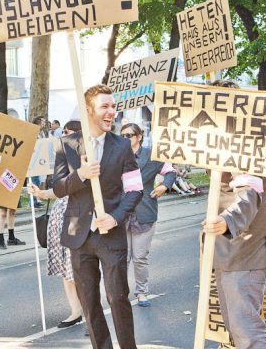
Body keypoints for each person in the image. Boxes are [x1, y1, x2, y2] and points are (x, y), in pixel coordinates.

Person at [53, 84, 143, 349]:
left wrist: (115, 217)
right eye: (105, 106)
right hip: (79, 236)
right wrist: (80, 175)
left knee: (118, 298)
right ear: (88, 110)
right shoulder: (66, 144)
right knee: (90, 303)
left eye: (113, 106)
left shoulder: (123, 146)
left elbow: (135, 189)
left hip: (111, 235)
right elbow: (58, 187)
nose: (111, 112)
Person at [202, 79, 266, 349]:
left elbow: (249, 193)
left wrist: (226, 221)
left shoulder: (249, 145)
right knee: (235, 327)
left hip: (246, 251)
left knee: (246, 331)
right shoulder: (216, 144)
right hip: (226, 253)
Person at [28, 120, 83, 328]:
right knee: (65, 269)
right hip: (60, 221)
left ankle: (89, 311)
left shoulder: (83, 162)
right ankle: (75, 310)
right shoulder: (62, 160)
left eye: (67, 133)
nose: (62, 136)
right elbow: (59, 190)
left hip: (76, 222)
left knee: (78, 270)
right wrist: (40, 193)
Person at [120, 123, 176, 307]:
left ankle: (142, 292)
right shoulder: (116, 155)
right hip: (120, 213)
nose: (125, 138)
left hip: (144, 212)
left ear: (139, 137)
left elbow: (170, 171)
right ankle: (121, 294)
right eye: (122, 135)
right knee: (122, 257)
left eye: (129, 135)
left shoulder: (151, 155)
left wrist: (164, 186)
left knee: (139, 257)